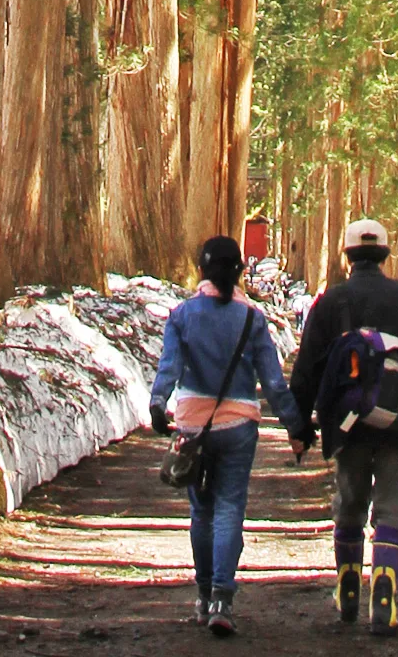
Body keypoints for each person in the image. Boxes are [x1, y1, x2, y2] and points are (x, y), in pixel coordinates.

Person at [289, 218, 398, 637]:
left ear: (347, 254)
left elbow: (307, 370)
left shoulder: (331, 302)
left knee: (351, 504)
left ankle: (348, 586)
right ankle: (386, 592)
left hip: (349, 424)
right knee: (393, 508)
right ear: (386, 254)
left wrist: (301, 425)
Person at [149, 234, 310, 637]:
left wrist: (157, 404)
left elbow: (169, 367)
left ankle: (203, 597)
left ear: (201, 270)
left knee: (200, 512)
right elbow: (273, 383)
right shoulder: (252, 319)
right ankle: (223, 597)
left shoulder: (182, 315)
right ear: (240, 271)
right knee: (229, 509)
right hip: (239, 426)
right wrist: (296, 427)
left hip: (191, 426)